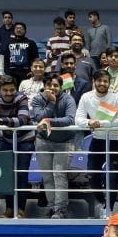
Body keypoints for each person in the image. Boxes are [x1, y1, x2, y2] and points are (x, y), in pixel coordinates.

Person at [75, 69, 118, 217]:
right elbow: (78, 119)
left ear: (109, 83)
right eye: (99, 80)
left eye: (105, 81)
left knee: (112, 175)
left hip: (116, 139)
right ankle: (102, 202)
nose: (102, 83)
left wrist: (101, 123)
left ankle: (108, 208)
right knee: (92, 174)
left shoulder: (116, 98)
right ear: (94, 82)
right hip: (98, 138)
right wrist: (89, 122)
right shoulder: (86, 97)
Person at [0, 75, 35, 219]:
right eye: (5, 90)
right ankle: (9, 209)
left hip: (25, 139)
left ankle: (21, 209)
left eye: (12, 90)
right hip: (6, 139)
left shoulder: (21, 97)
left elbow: (23, 119)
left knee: (21, 174)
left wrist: (0, 121)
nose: (9, 93)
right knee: (7, 175)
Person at [30, 74, 77, 219]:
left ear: (61, 87)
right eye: (49, 85)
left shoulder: (68, 99)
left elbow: (70, 119)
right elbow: (38, 118)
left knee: (59, 175)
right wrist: (51, 103)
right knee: (47, 176)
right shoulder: (37, 99)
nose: (52, 88)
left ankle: (60, 209)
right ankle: (51, 207)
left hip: (65, 142)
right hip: (43, 141)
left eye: (56, 85)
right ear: (44, 86)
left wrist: (49, 121)